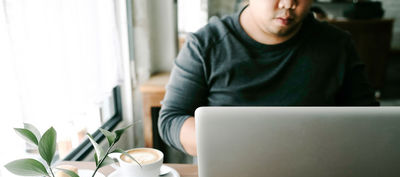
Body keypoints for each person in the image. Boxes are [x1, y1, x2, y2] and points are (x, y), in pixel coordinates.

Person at [158, 0, 379, 156]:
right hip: (232, 176)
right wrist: (234, 144)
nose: (288, 4)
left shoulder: (338, 45)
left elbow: (370, 122)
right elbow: (171, 119)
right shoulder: (205, 44)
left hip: (318, 174)